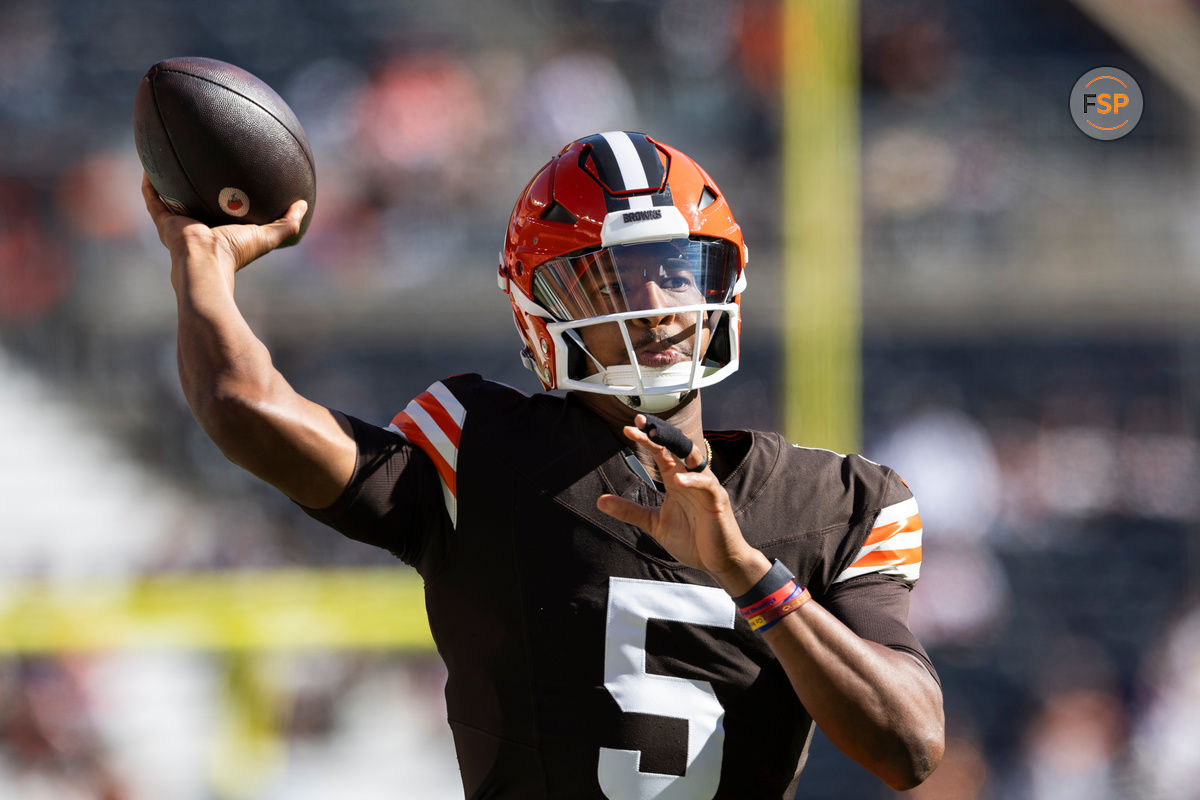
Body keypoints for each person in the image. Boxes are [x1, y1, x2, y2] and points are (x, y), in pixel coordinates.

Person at [143, 130, 944, 799]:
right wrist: (202, 264)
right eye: (614, 277)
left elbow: (909, 746)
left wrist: (749, 577)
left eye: (676, 266)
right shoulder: (477, 448)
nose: (660, 301)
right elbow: (243, 407)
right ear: (540, 307)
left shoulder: (840, 501)